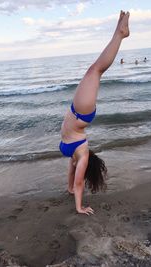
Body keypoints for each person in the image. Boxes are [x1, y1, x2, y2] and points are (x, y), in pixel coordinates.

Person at [59, 11, 130, 215]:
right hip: (81, 113)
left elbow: (76, 178)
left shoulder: (76, 157)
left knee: (95, 70)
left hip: (77, 111)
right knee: (95, 70)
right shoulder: (81, 154)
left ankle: (120, 33)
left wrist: (74, 195)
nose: (80, 164)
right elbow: (79, 177)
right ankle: (120, 34)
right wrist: (78, 200)